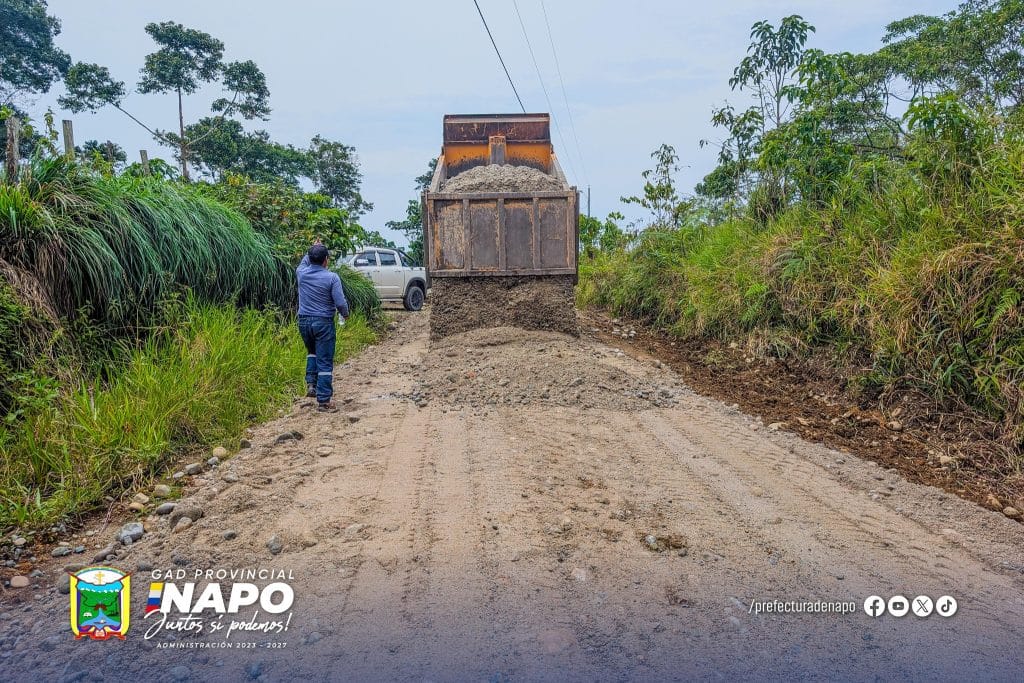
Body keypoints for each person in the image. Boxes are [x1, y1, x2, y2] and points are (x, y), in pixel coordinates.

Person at [296, 239, 349, 412]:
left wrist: (313, 247)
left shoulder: (301, 273)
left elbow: (306, 260)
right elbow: (340, 302)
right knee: (325, 361)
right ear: (326, 259)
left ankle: (311, 384)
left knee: (311, 352)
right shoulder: (332, 277)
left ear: (310, 259)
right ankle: (324, 400)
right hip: (323, 322)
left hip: (303, 321)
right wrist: (345, 314)